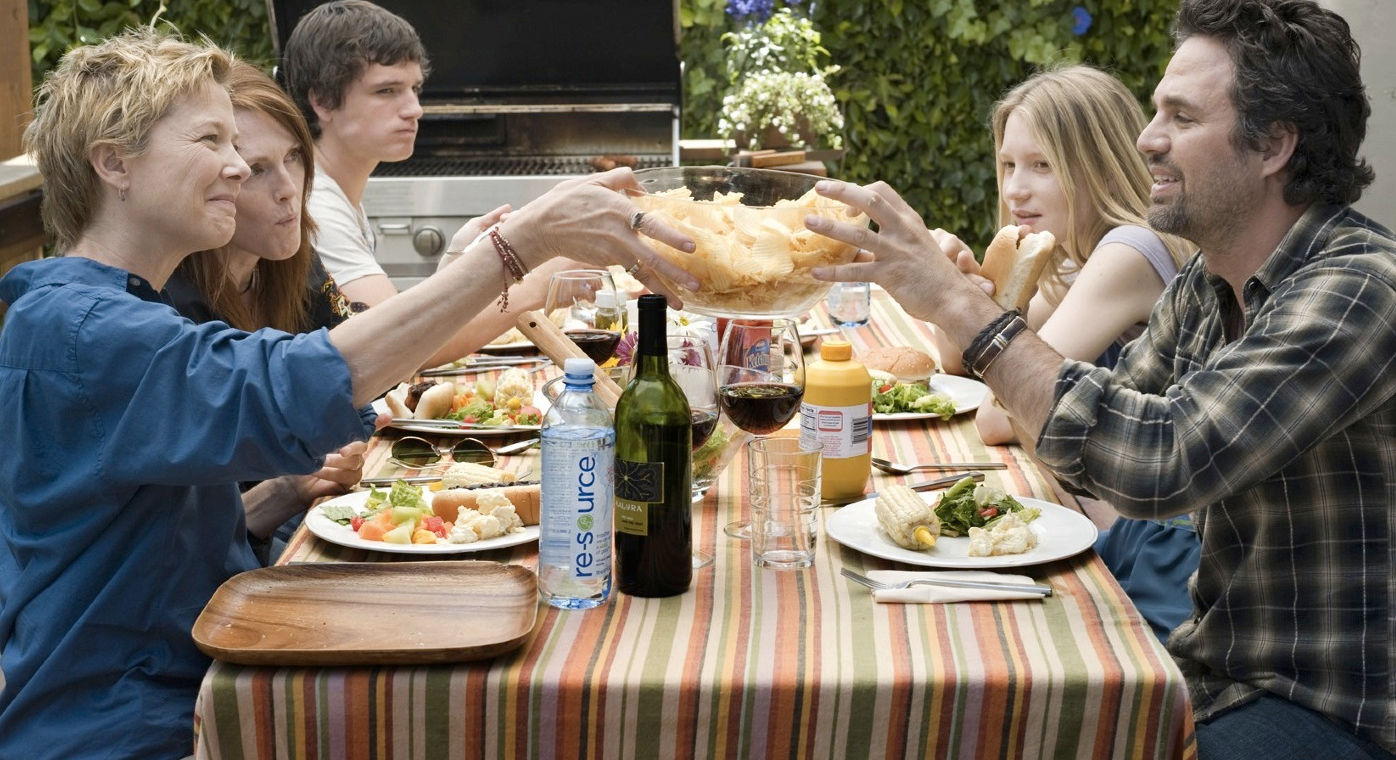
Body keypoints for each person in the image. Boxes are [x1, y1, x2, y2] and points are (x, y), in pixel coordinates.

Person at [0, 28, 696, 759]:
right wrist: (515, 247)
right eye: (211, 140)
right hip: (133, 726)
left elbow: (142, 525)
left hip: (198, 684)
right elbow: (293, 386)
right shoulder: (86, 331)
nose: (238, 168)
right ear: (114, 163)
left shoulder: (103, 311)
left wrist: (275, 497)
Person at [807, 0, 1395, 756]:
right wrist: (974, 318)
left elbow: (1157, 460)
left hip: (1323, 706)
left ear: (1274, 143)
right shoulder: (1208, 284)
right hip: (1213, 666)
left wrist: (963, 310)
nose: (1148, 140)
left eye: (1180, 117)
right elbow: (1076, 436)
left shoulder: (1356, 289)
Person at [930, 65, 1200, 641]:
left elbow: (999, 414)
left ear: (1097, 166)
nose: (1015, 189)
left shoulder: (1130, 250)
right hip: (1113, 522)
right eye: (1008, 164)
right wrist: (954, 296)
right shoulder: (1067, 255)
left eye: (1042, 166)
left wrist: (967, 312)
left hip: (1161, 556)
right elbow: (963, 367)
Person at [164, 60, 382, 565]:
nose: (289, 188)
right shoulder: (167, 306)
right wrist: (282, 490)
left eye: (294, 158)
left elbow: (359, 388)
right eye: (257, 169)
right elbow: (177, 548)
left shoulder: (289, 257)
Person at [280, 0, 562, 362]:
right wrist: (544, 279)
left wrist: (459, 264)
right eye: (387, 91)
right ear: (321, 101)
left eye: (415, 88)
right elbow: (399, 346)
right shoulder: (314, 202)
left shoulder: (334, 189)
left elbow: (398, 317)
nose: (414, 108)